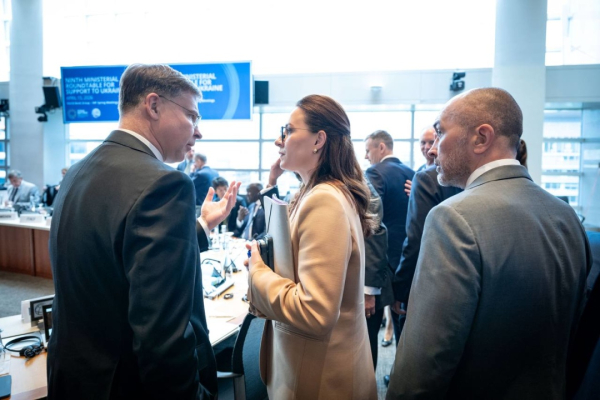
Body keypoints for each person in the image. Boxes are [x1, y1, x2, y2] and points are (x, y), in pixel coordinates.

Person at [47, 63, 240, 400]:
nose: (198, 132)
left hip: (75, 378)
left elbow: (115, 258)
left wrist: (202, 225)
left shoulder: (79, 171)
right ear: (153, 106)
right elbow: (162, 337)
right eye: (192, 116)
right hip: (128, 385)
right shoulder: (164, 183)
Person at [386, 88, 592, 399]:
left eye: (440, 133)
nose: (433, 149)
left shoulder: (453, 218)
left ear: (481, 138)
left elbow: (423, 368)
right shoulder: (566, 216)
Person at [246, 94, 377, 399]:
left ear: (319, 140)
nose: (279, 140)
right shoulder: (315, 192)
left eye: (288, 131)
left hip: (319, 379)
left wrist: (257, 272)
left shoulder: (324, 200)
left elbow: (315, 312)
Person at [364, 129, 414, 378]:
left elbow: (372, 220)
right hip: (411, 258)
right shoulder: (413, 174)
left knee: (371, 330)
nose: (366, 156)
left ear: (381, 147)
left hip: (385, 261)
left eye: (368, 150)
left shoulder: (375, 173)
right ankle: (400, 378)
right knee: (404, 327)